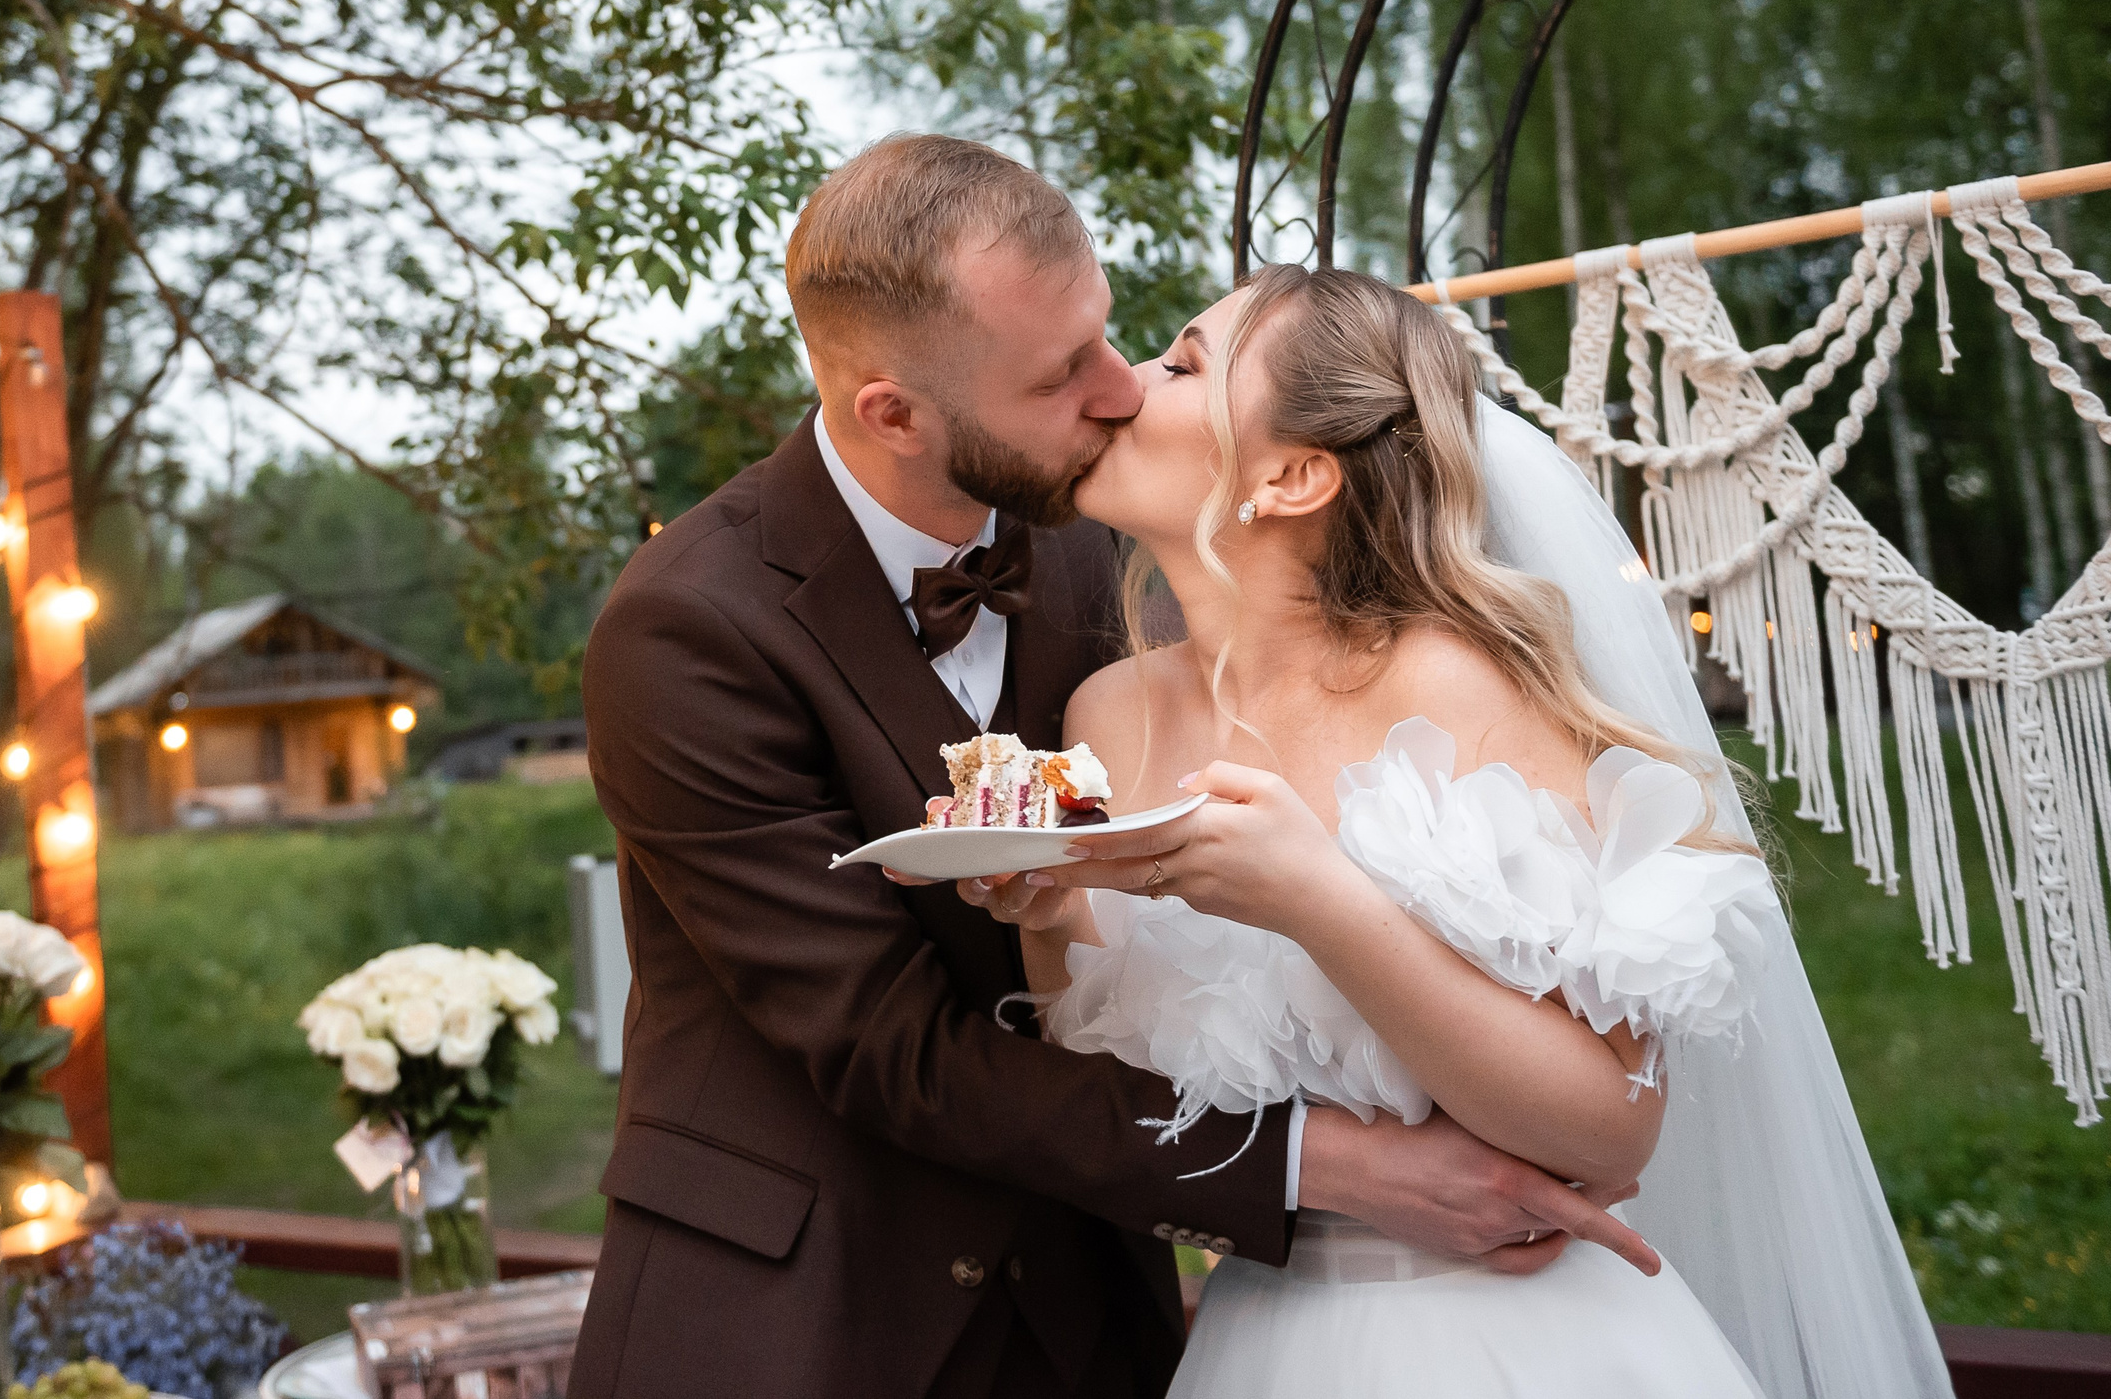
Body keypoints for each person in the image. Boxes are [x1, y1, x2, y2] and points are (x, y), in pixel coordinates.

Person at [572, 136, 1650, 1399]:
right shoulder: (686, 628)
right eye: (1059, 372)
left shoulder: (1099, 557)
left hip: (1092, 1320)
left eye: (1114, 334)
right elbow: (887, 1046)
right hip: (804, 1314)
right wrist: (1330, 1166)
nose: (1117, 386)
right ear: (894, 411)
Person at [948, 263, 1954, 1398]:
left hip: (1519, 1339)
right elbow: (1112, 1096)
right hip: (1260, 1338)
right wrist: (1040, 908)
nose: (1125, 386)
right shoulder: (1109, 714)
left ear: (1290, 474)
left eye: (1181, 363)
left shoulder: (1455, 689)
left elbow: (1608, 1133)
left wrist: (1314, 899)